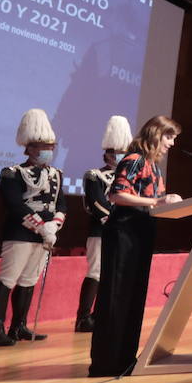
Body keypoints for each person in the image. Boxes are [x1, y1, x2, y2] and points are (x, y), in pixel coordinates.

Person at [89, 115, 183, 378]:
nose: (172, 143)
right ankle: (106, 362)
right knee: (117, 296)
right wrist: (157, 202)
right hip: (124, 233)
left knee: (133, 298)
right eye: (169, 137)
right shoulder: (134, 160)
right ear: (155, 134)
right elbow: (116, 194)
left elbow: (156, 200)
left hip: (142, 233)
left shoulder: (155, 167)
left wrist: (168, 202)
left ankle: (125, 358)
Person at [0, 108, 65, 346]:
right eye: (43, 146)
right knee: (8, 278)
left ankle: (18, 326)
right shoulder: (13, 173)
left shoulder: (57, 174)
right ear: (29, 148)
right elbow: (14, 205)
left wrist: (54, 225)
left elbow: (61, 204)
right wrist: (42, 227)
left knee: (29, 280)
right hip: (20, 233)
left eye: (51, 146)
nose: (48, 151)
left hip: (45, 236)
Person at [76, 115, 131, 331]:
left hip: (123, 232)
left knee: (114, 273)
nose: (120, 156)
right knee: (96, 272)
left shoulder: (129, 179)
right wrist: (115, 221)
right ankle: (83, 317)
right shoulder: (94, 175)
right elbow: (96, 204)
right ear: (108, 154)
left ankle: (102, 315)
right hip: (101, 230)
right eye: (117, 153)